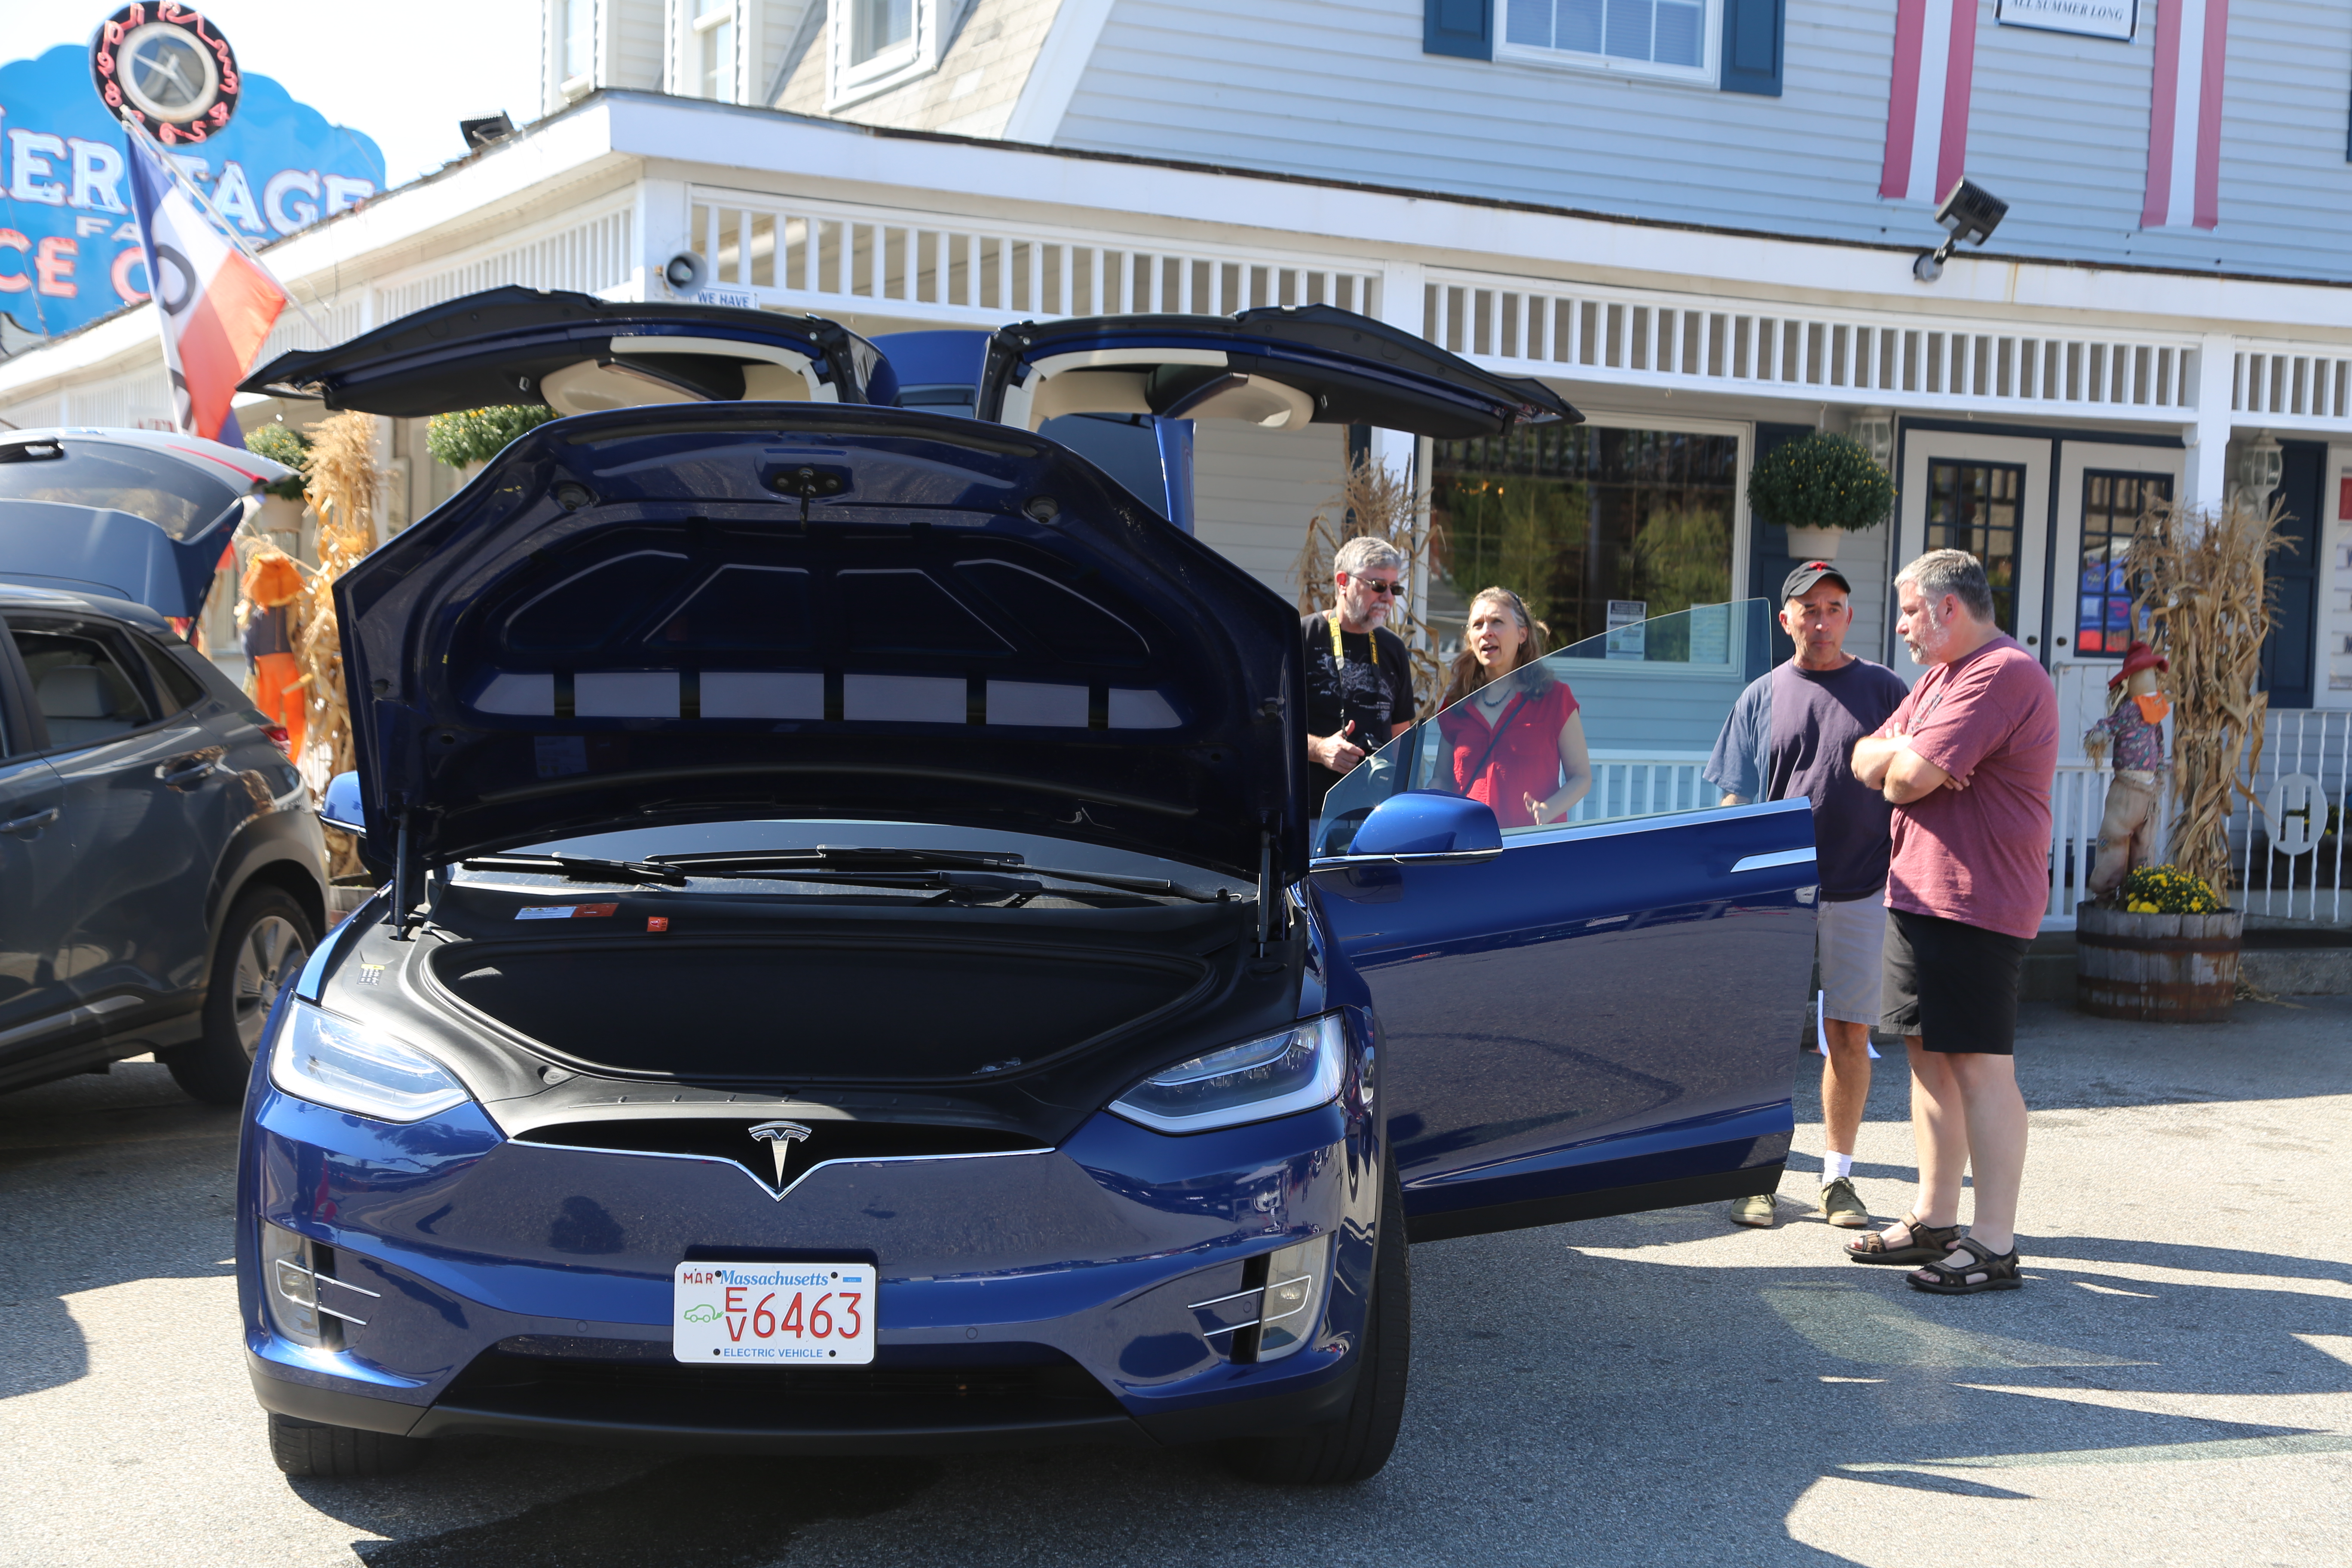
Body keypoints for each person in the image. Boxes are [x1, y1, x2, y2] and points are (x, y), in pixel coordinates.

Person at [1848, 549, 2058, 1295]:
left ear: (1946, 608)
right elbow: (1862, 756)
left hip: (1978, 898)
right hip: (1917, 891)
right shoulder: (1939, 678)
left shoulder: (2002, 673)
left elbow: (1899, 778)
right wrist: (1910, 753)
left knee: (1979, 1066)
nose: (1901, 626)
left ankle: (1993, 1243)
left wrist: (1905, 759)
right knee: (1927, 1056)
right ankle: (1936, 1218)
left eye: (1908, 610)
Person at [1704, 562, 1911, 1231]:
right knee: (1765, 1038)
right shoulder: (1761, 696)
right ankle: (1759, 1176)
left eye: (1833, 607)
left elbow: (1915, 784)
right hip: (1777, 894)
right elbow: (1735, 801)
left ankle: (1838, 1181)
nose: (1820, 621)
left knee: (1848, 1033)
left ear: (1849, 616)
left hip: (1862, 890)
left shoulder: (1886, 690)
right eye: (1807, 609)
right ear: (1786, 618)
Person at [1435, 587, 1591, 827]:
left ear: (1523, 634)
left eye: (1497, 622)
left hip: (1530, 850)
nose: (1487, 632)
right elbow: (1442, 779)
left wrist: (1548, 810)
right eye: (1478, 625)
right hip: (1469, 850)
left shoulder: (1556, 698)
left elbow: (1581, 777)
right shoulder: (1456, 704)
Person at [1302, 536, 1418, 812]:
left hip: (1378, 813)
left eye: (1395, 588)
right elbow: (1268, 728)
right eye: (1378, 586)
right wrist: (1319, 751)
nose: (1388, 598)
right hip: (1311, 814)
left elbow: (1401, 736)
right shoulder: (1300, 638)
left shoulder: (1393, 648)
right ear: (1343, 582)